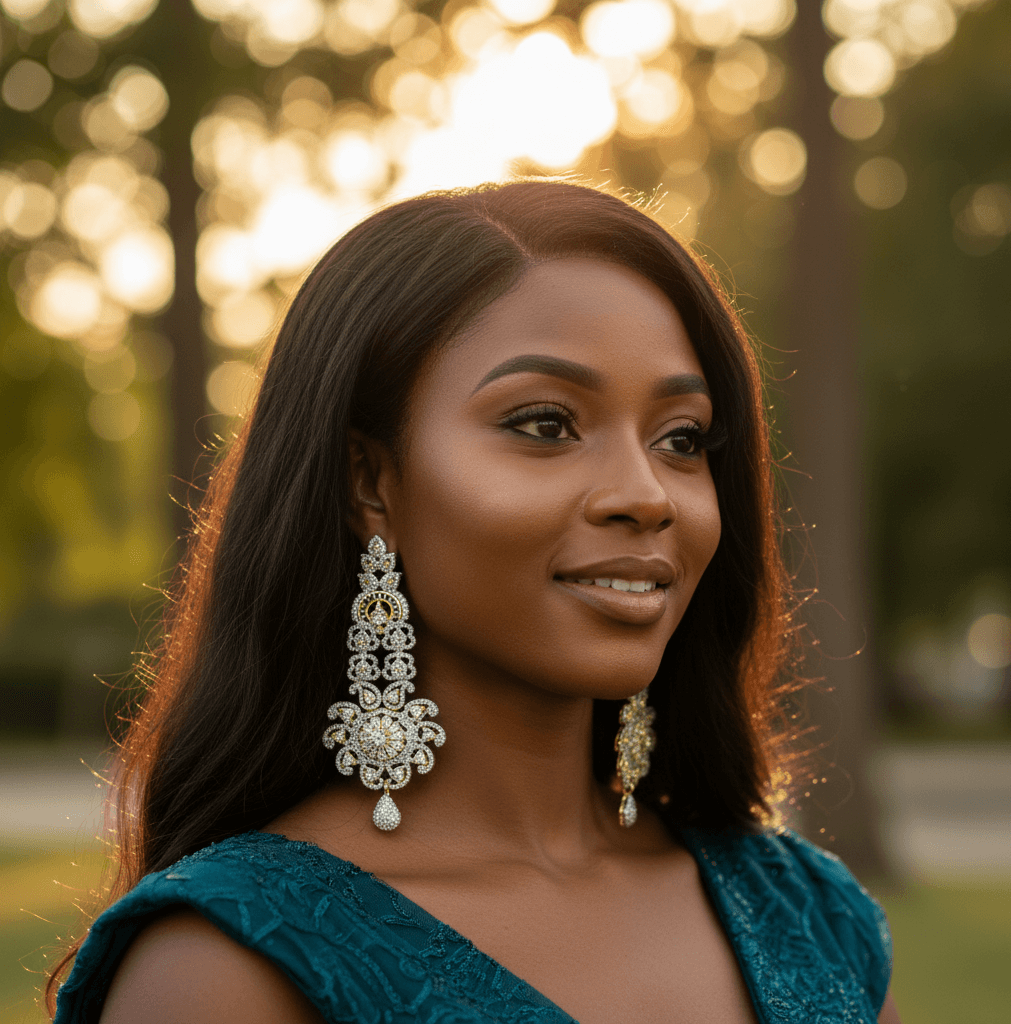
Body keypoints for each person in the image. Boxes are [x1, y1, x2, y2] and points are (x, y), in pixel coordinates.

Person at [49, 181, 899, 1023]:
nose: (648, 496)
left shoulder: (811, 917)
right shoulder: (228, 965)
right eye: (545, 425)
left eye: (681, 439)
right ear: (370, 483)